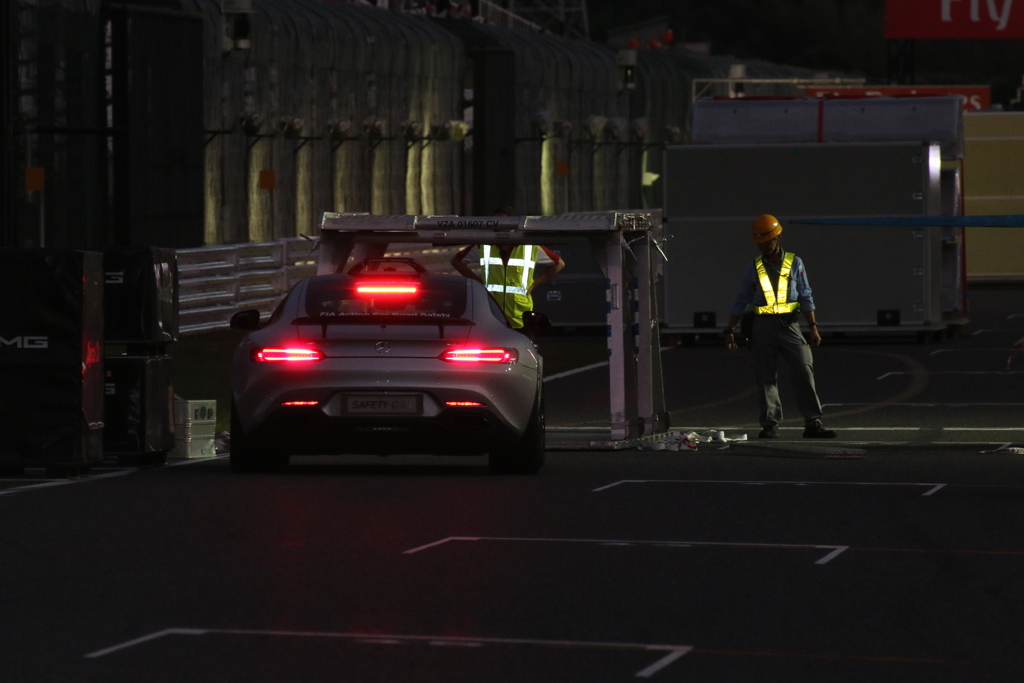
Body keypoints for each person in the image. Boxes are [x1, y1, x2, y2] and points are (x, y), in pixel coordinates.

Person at [723, 214, 836, 439]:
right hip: (762, 327)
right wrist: (729, 330)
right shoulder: (754, 267)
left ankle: (813, 422)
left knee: (804, 370)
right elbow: (742, 299)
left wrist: (812, 326)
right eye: (760, 242)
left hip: (790, 325)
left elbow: (805, 294)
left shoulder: (795, 262)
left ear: (778, 238)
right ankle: (770, 424)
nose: (764, 246)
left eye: (768, 241)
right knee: (765, 376)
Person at [450, 208, 566, 329]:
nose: (502, 226)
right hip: (491, 314)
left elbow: (559, 264)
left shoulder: (531, 246)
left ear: (513, 223)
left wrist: (535, 283)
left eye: (504, 222)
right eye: (497, 222)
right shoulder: (482, 245)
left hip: (520, 316)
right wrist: (479, 283)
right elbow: (457, 262)